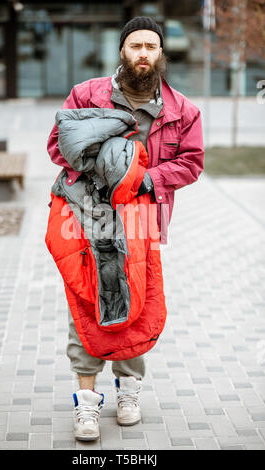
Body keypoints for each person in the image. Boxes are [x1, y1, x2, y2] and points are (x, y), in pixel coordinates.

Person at [47, 16, 204, 441]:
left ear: (160, 53)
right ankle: (86, 402)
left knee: (138, 297)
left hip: (141, 218)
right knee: (85, 299)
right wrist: (104, 166)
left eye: (150, 47)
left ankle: (129, 392)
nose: (143, 54)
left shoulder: (183, 110)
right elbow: (55, 146)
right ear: (122, 51)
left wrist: (144, 179)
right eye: (135, 46)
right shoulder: (86, 94)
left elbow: (192, 162)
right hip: (87, 215)